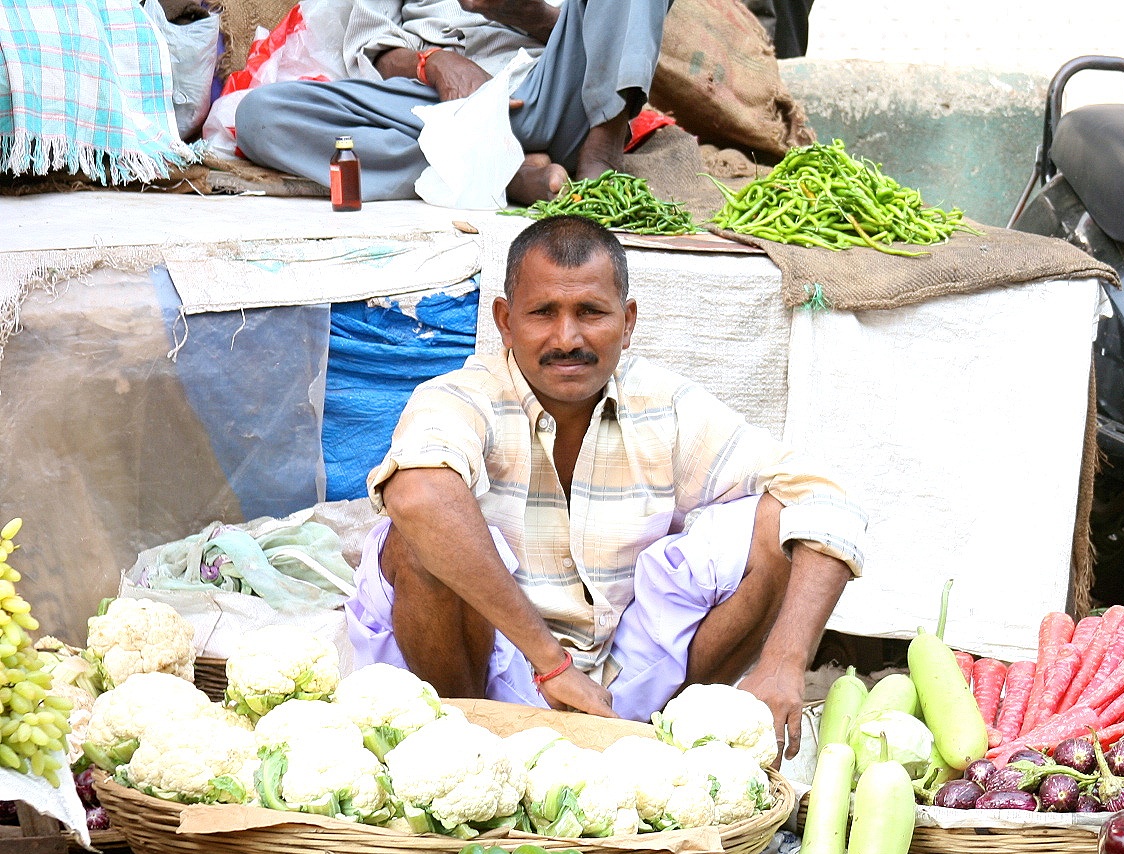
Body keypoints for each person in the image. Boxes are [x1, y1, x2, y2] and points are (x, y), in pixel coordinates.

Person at [347, 215, 866, 757]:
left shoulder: (664, 404)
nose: (566, 338)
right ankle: (469, 754)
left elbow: (829, 499)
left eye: (590, 313)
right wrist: (552, 663)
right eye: (543, 313)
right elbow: (418, 496)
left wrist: (784, 664)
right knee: (418, 534)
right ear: (504, 320)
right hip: (483, 678)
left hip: (628, 683)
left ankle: (665, 748)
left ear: (628, 319)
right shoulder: (461, 397)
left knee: (776, 520)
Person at [235, 0, 669, 204]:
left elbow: (607, 28)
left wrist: (526, 14)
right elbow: (373, 45)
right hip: (435, 109)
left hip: (547, 92)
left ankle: (604, 148)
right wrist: (434, 63)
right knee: (262, 116)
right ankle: (507, 179)